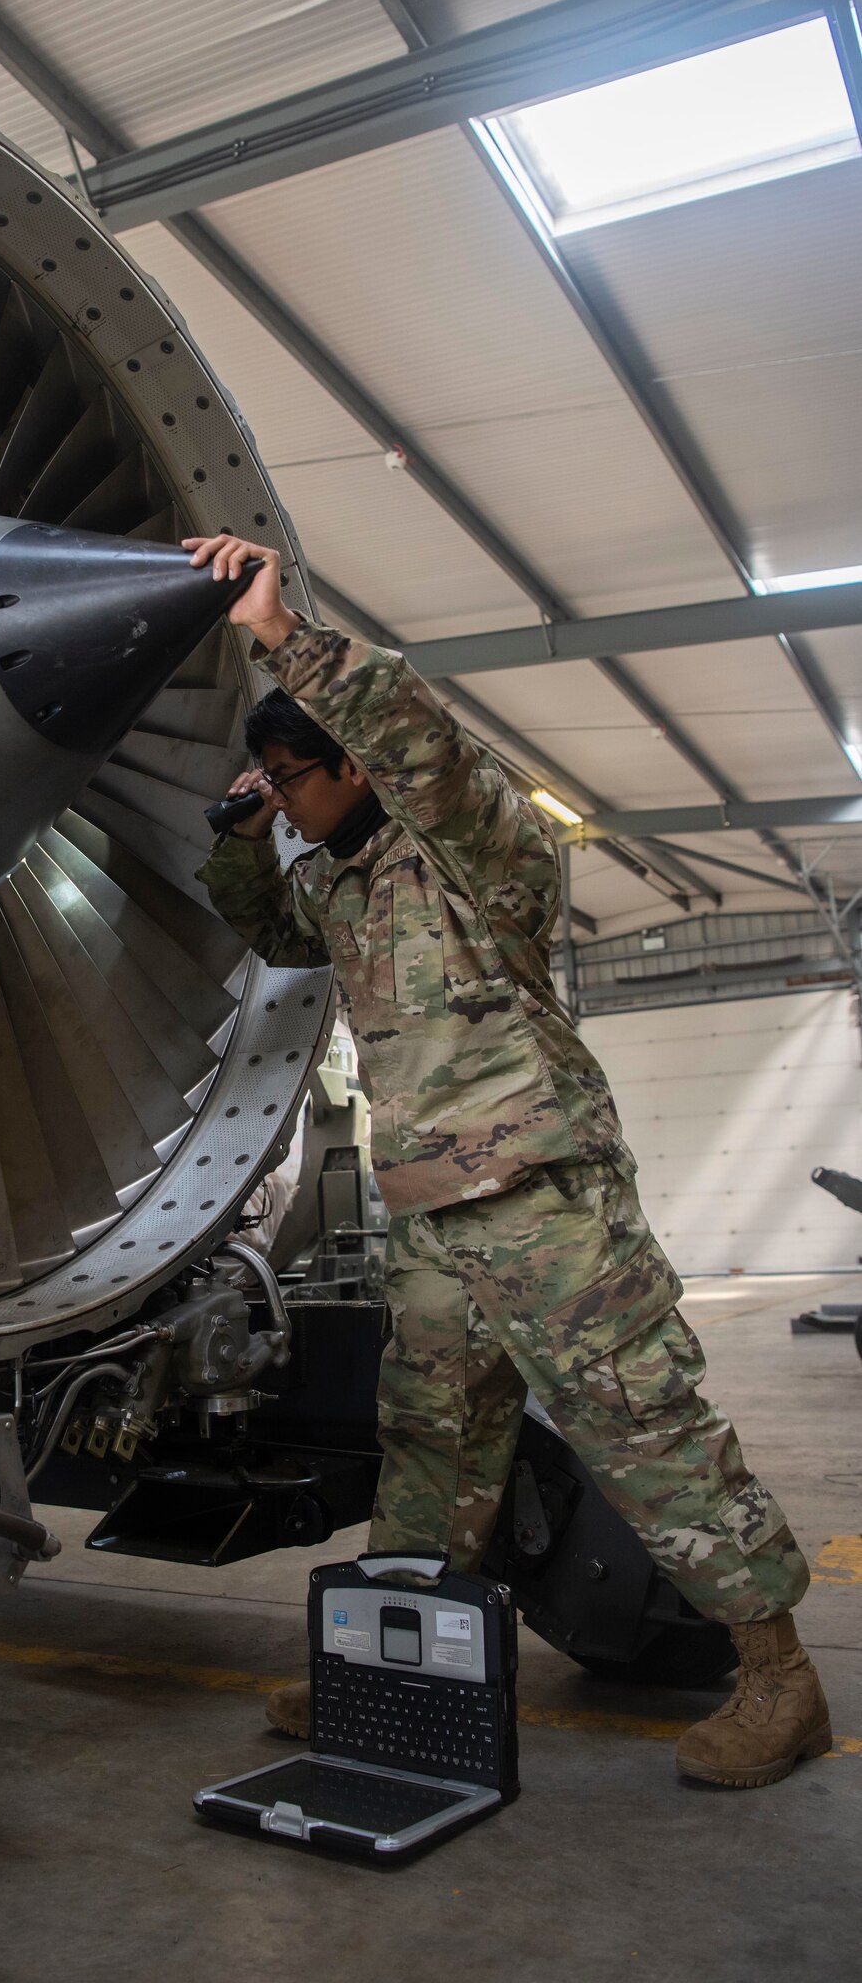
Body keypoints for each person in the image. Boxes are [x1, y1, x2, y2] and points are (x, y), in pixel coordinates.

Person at [186, 530, 830, 1790]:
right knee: (433, 1446)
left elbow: (425, 746)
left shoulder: (473, 855)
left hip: (545, 1203)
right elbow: (264, 919)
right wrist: (243, 829)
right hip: (430, 1217)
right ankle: (385, 1669)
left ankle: (779, 1677)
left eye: (292, 774)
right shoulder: (347, 887)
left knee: (645, 1426)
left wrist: (284, 632)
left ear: (351, 761)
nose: (287, 795)